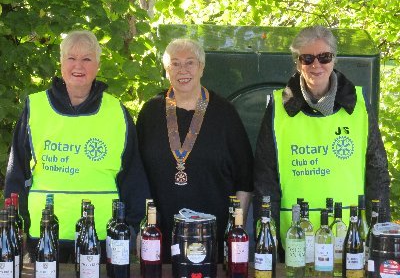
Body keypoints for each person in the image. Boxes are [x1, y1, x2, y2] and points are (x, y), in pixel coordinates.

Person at [4, 30, 150, 262]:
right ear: (61, 63)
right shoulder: (36, 107)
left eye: (87, 59)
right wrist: (14, 225)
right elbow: (17, 173)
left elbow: (133, 175)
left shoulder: (116, 112)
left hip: (102, 235)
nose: (78, 66)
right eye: (71, 58)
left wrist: (135, 227)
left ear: (98, 65)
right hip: (44, 234)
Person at [253, 25, 390, 259]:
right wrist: (267, 239)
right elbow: (265, 178)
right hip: (295, 237)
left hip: (349, 235)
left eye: (324, 57)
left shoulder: (358, 105)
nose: (316, 65)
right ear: (298, 63)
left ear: (334, 59)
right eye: (307, 58)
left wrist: (382, 234)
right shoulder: (278, 107)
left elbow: (377, 171)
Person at [136, 38, 254, 262]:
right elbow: (135, 174)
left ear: (202, 67)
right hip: (159, 235)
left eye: (190, 62)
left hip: (214, 236)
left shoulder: (225, 114)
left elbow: (245, 179)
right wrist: (141, 225)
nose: (183, 70)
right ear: (166, 70)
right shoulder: (150, 113)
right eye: (175, 64)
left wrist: (235, 230)